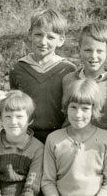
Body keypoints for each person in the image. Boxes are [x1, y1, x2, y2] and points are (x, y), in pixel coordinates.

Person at [9, 8, 76, 144]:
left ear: (61, 40)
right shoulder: (18, 68)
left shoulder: (68, 70)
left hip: (60, 137)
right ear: (30, 35)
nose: (43, 42)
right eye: (38, 35)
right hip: (27, 137)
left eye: (50, 37)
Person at [62, 22, 107, 133]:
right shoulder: (68, 80)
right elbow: (64, 115)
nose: (93, 56)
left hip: (102, 146)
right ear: (79, 50)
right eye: (88, 50)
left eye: (100, 51)